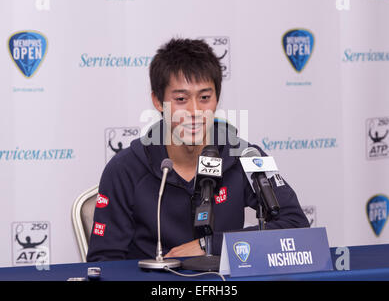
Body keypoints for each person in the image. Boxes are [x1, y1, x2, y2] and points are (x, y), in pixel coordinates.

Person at [86, 38, 309, 262]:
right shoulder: (125, 168)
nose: (194, 111)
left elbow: (297, 227)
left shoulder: (244, 156)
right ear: (157, 101)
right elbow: (104, 262)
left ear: (217, 99)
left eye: (204, 98)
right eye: (181, 99)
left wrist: (212, 245)